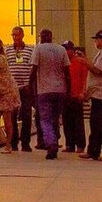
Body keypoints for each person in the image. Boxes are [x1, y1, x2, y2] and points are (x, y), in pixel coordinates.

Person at [77, 30, 102, 162]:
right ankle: (93, 150)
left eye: (97, 39)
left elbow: (98, 70)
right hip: (98, 94)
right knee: (95, 124)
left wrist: (84, 62)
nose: (95, 42)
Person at [30, 28, 69, 160]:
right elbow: (66, 71)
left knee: (45, 119)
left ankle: (51, 143)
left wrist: (30, 87)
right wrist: (68, 89)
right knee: (55, 118)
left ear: (41, 37)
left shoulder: (38, 49)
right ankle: (55, 139)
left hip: (44, 90)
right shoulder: (61, 49)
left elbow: (34, 69)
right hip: (60, 89)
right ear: (51, 37)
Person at [6, 26, 36, 151]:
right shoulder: (7, 50)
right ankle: (13, 142)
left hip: (26, 87)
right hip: (12, 88)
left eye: (17, 35)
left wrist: (30, 84)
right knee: (12, 116)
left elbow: (33, 67)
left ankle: (25, 143)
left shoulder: (30, 50)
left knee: (26, 115)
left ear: (22, 35)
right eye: (13, 35)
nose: (15, 37)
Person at [62, 41, 87, 153]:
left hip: (76, 96)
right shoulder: (62, 63)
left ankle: (80, 145)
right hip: (65, 96)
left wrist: (83, 92)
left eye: (67, 49)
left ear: (72, 50)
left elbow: (85, 78)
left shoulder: (80, 62)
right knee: (67, 121)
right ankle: (69, 144)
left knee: (78, 122)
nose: (66, 52)